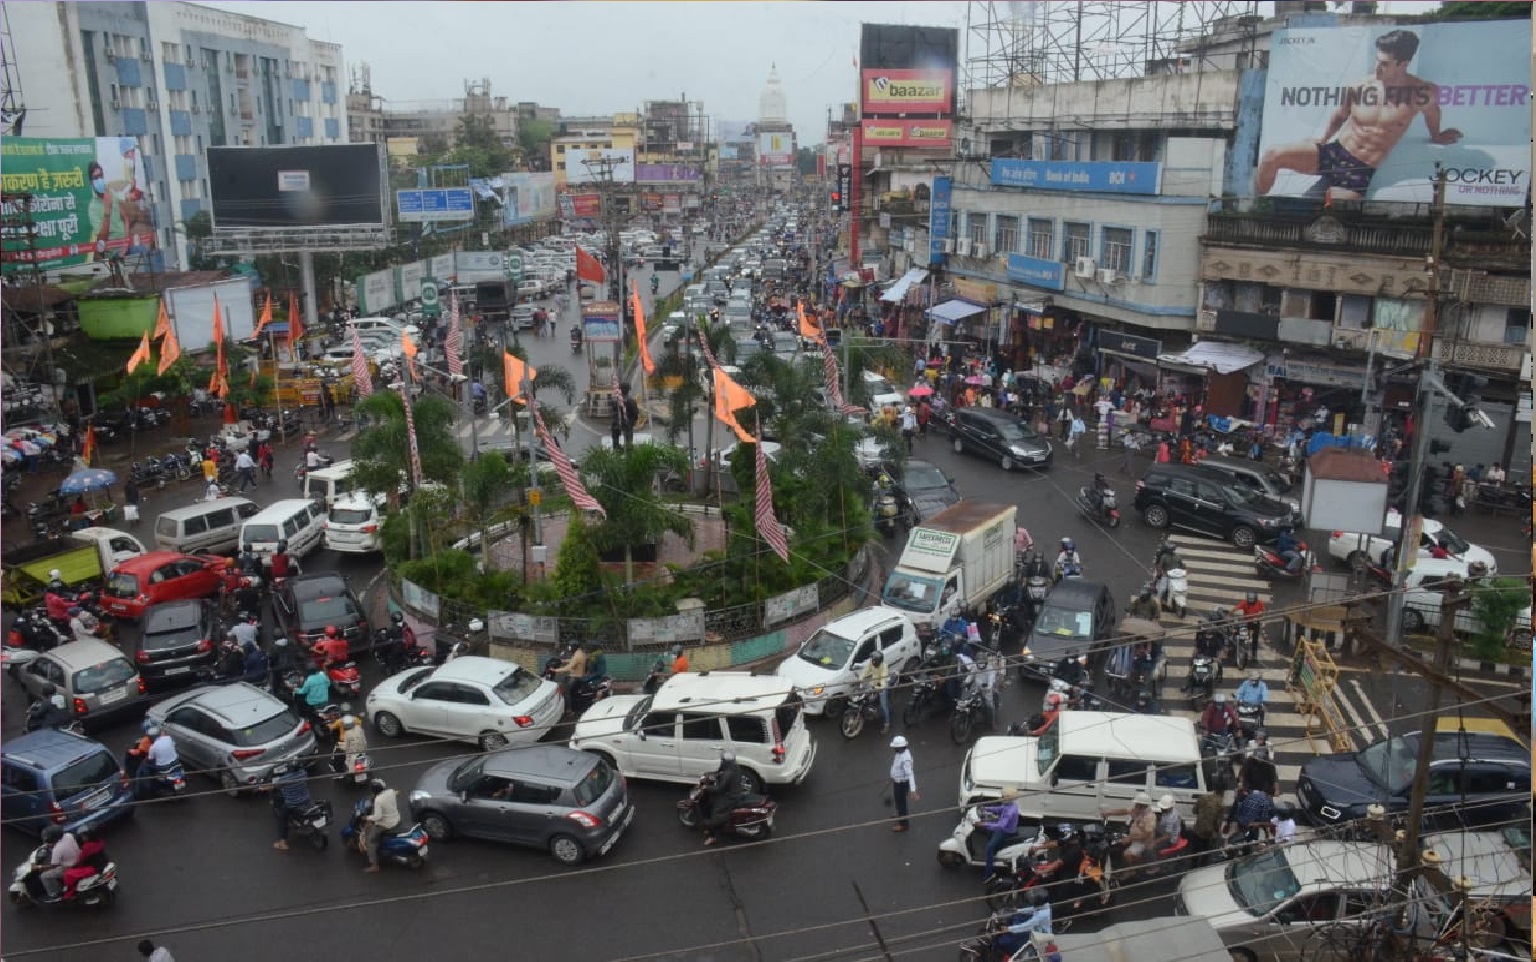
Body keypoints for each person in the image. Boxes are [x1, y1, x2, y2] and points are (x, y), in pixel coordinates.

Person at [991, 887, 1054, 958]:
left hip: (1038, 932)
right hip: (1035, 926)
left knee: (1009, 942)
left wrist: (1009, 929)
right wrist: (1018, 911)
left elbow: (1026, 926)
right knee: (1017, 918)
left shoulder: (1041, 915)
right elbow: (1032, 909)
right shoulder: (1045, 905)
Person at [703, 751, 744, 846]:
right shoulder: (735, 767)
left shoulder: (728, 773)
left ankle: (712, 837)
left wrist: (706, 787)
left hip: (729, 797)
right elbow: (721, 773)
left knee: (716, 814)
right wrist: (713, 775)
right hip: (734, 793)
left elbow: (720, 788)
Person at [1105, 792, 1158, 866]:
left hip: (1142, 842)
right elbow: (1124, 811)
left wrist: (1130, 838)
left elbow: (1147, 834)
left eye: (1136, 804)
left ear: (1142, 805)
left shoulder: (1149, 817)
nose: (1135, 805)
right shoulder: (1137, 811)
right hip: (1134, 838)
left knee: (1127, 854)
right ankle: (1118, 865)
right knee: (1115, 844)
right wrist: (1109, 812)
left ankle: (1131, 869)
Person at [981, 787, 1021, 882]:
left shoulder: (1010, 812)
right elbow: (1000, 809)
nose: (1001, 798)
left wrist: (984, 824)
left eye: (1003, 796)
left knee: (989, 848)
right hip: (1005, 828)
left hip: (1005, 832)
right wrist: (986, 808)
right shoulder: (1011, 804)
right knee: (989, 830)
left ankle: (989, 874)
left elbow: (1001, 826)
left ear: (1008, 797)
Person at [269, 762, 312, 851]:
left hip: (292, 804)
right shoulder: (303, 773)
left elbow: (275, 786)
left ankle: (283, 843)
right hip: (306, 801)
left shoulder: (284, 779)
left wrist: (262, 788)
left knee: (282, 818)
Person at [362, 779, 402, 872]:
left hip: (386, 824)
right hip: (396, 819)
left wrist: (367, 818)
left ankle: (374, 865)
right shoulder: (391, 792)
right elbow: (396, 792)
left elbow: (377, 816)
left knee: (370, 841)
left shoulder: (378, 800)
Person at [1190, 777, 1228, 866]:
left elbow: (1194, 811)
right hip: (1208, 834)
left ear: (1214, 789)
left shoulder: (1203, 798)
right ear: (1223, 792)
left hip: (1197, 830)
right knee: (1205, 854)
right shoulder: (1221, 805)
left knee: (1195, 852)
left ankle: (1193, 866)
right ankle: (1202, 867)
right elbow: (1218, 823)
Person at [37, 825, 79, 899]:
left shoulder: (58, 849)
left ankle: (54, 894)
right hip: (77, 859)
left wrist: (39, 867)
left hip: (69, 867)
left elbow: (54, 865)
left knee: (44, 876)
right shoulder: (69, 835)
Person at [888, 735, 918, 832]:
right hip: (897, 782)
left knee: (902, 803)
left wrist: (913, 790)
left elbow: (910, 774)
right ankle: (900, 814)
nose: (894, 749)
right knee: (898, 799)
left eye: (895, 747)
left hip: (901, 784)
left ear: (900, 747)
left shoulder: (906, 759)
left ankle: (903, 824)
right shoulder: (900, 753)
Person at [858, 649, 891, 735]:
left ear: (877, 661)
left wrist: (880, 687)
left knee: (884, 706)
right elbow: (866, 670)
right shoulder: (871, 663)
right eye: (872, 660)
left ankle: (887, 724)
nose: (872, 661)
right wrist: (861, 678)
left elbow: (883, 680)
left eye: (873, 660)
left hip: (882, 685)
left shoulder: (884, 667)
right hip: (873, 683)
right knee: (864, 695)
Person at [1233, 592, 1266, 661]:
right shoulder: (1244, 602)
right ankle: (1242, 652)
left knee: (1255, 639)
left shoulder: (1259, 602)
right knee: (1243, 637)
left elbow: (1262, 611)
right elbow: (1236, 608)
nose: (1251, 604)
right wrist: (1233, 611)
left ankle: (1254, 655)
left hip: (1255, 622)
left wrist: (1259, 615)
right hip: (1246, 621)